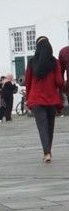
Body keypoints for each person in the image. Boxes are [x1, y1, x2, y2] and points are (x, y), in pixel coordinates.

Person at [25, 36, 64, 164]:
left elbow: (28, 82)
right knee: (50, 127)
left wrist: (27, 99)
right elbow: (59, 81)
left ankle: (46, 153)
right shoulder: (55, 62)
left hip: (36, 99)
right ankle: (48, 151)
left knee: (42, 127)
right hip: (51, 99)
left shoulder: (32, 62)